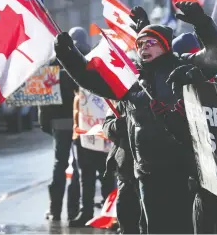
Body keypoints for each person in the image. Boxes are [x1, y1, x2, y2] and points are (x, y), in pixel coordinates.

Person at [54, 1, 217, 233]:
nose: (143, 47)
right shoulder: (132, 79)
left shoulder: (185, 66)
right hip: (146, 171)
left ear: (166, 46)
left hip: (182, 172)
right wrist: (68, 56)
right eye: (140, 43)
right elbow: (92, 80)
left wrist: (202, 22)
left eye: (150, 42)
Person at [39, 27, 91, 222]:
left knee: (59, 164)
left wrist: (45, 124)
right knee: (79, 167)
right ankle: (73, 210)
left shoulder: (53, 61)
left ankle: (54, 209)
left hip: (59, 122)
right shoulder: (89, 59)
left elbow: (45, 99)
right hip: (82, 122)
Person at [69, 88, 116, 227]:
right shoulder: (81, 75)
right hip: (84, 133)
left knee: (106, 175)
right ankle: (86, 212)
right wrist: (76, 126)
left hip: (102, 133)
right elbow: (78, 97)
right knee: (86, 175)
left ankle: (108, 214)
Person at [103, 102, 146, 234]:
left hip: (151, 170)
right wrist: (116, 126)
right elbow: (106, 125)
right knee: (127, 221)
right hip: (126, 170)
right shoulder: (125, 98)